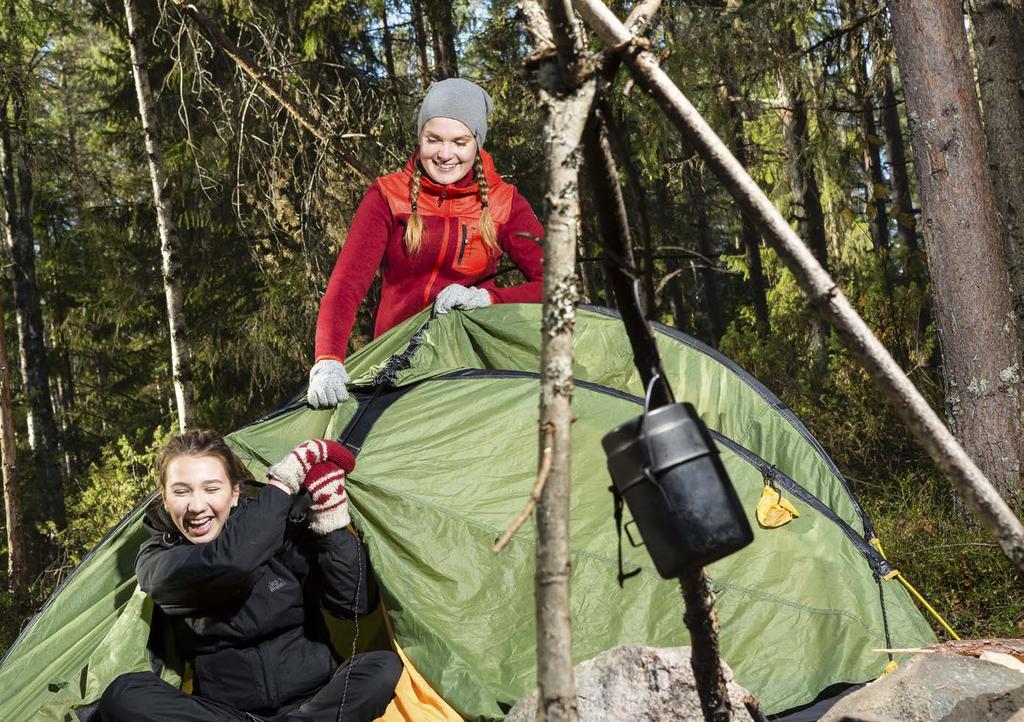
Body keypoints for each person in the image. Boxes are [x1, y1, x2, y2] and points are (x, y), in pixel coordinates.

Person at [99, 431, 401, 722]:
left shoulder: (278, 530)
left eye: (211, 488)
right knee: (124, 694)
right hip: (229, 714)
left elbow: (354, 604)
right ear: (164, 498)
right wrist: (284, 482)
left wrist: (331, 522)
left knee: (382, 667)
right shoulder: (157, 558)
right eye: (181, 491)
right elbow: (230, 564)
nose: (196, 506)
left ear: (235, 493)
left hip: (315, 700)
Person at [308, 77, 545, 407]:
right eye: (434, 140)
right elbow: (347, 284)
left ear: (477, 143)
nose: (446, 155)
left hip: (469, 369)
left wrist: (487, 299)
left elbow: (557, 284)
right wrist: (328, 359)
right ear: (420, 138)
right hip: (394, 369)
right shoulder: (388, 195)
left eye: (460, 143)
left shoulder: (505, 202)